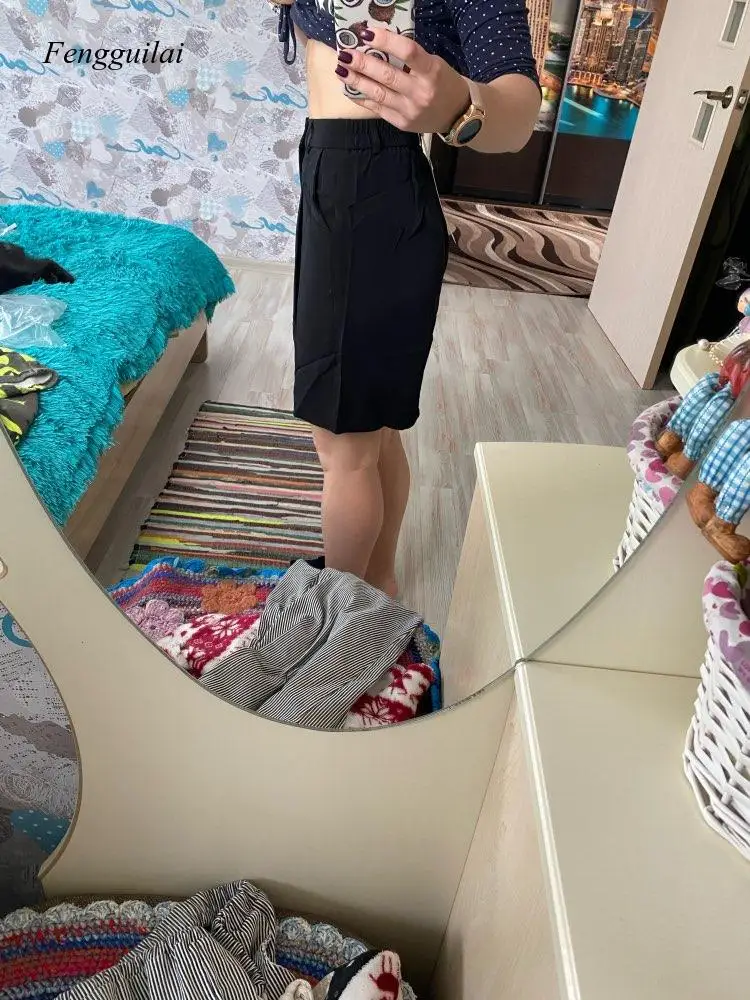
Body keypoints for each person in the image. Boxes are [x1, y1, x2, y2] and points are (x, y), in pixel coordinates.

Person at [274, 0, 541, 597]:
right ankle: (379, 586)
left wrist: (462, 107)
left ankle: (336, 621)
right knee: (372, 429)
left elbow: (519, 109)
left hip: (364, 190)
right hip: (339, 176)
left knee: (343, 442)